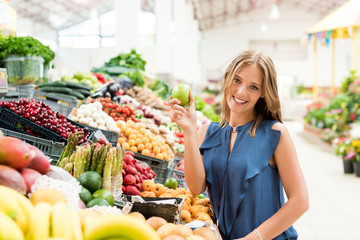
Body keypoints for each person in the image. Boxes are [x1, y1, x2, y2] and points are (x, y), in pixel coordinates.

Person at [169, 50, 309, 240]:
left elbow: (300, 201)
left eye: (253, 87)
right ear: (227, 79)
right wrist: (188, 130)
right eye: (237, 80)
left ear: (263, 93)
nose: (241, 91)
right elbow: (196, 187)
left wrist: (254, 238)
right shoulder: (206, 132)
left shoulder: (275, 133)